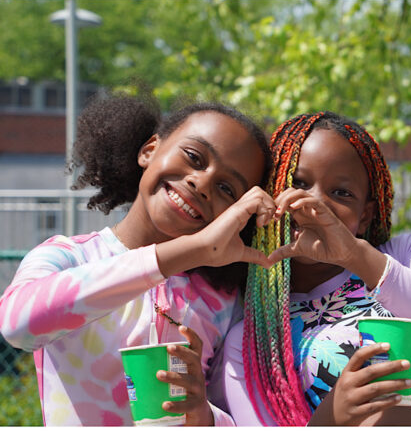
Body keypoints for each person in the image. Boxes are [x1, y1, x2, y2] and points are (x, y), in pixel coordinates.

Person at [0, 94, 275, 425]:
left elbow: (240, 419)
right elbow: (17, 326)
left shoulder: (224, 302)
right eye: (194, 157)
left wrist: (203, 413)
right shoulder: (69, 256)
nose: (202, 184)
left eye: (227, 189)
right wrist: (177, 255)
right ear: (149, 150)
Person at [212, 112, 411, 426]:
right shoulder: (251, 339)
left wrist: (354, 256)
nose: (314, 203)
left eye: (341, 193)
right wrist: (334, 417)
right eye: (299, 184)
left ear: (365, 215)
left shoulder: (403, 256)